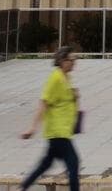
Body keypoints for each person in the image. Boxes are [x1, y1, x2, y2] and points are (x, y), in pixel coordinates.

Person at [19, 46, 80, 190]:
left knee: (45, 164)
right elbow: (44, 103)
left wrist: (75, 97)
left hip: (62, 131)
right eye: (71, 59)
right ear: (63, 61)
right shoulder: (55, 78)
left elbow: (65, 101)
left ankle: (23, 187)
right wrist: (32, 128)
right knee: (73, 163)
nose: (74, 62)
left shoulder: (66, 77)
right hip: (58, 132)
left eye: (75, 59)